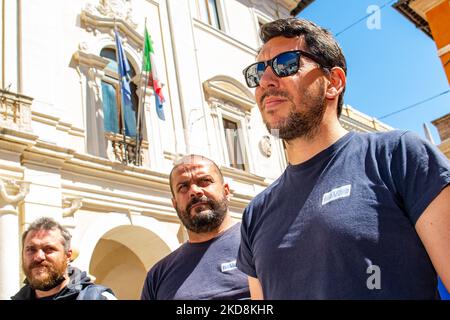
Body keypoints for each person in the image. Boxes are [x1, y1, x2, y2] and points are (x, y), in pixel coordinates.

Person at [237, 17, 450, 299]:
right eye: (257, 72)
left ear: (333, 83)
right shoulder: (255, 214)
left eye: (286, 63)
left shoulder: (397, 155)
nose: (265, 81)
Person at [141, 154, 250, 300]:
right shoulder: (157, 276)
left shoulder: (259, 244)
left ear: (226, 191)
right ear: (174, 204)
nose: (194, 191)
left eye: (204, 181)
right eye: (183, 187)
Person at [12, 216, 116, 300]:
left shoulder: (98, 298)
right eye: (31, 249)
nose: (38, 257)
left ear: (68, 255)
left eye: (49, 249)